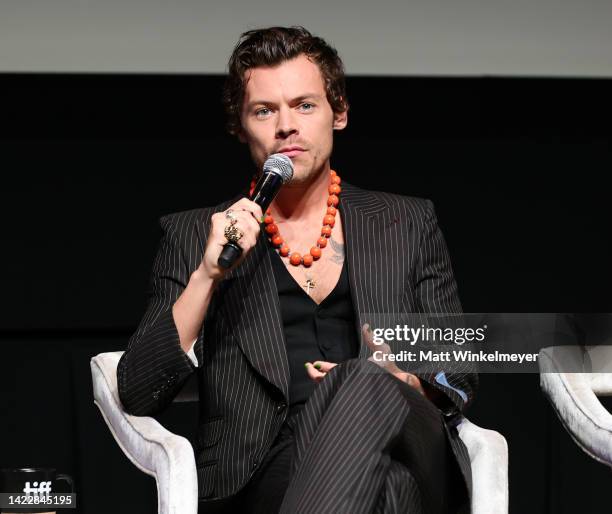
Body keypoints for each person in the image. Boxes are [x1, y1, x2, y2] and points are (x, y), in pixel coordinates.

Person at [117, 26, 477, 514]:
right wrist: (207, 275)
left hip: (406, 440)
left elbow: (460, 368)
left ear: (339, 113)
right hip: (267, 469)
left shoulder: (406, 222)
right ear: (241, 127)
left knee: (363, 382)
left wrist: (402, 380)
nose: (286, 125)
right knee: (389, 493)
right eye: (264, 111)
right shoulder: (194, 236)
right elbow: (138, 391)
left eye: (305, 105)